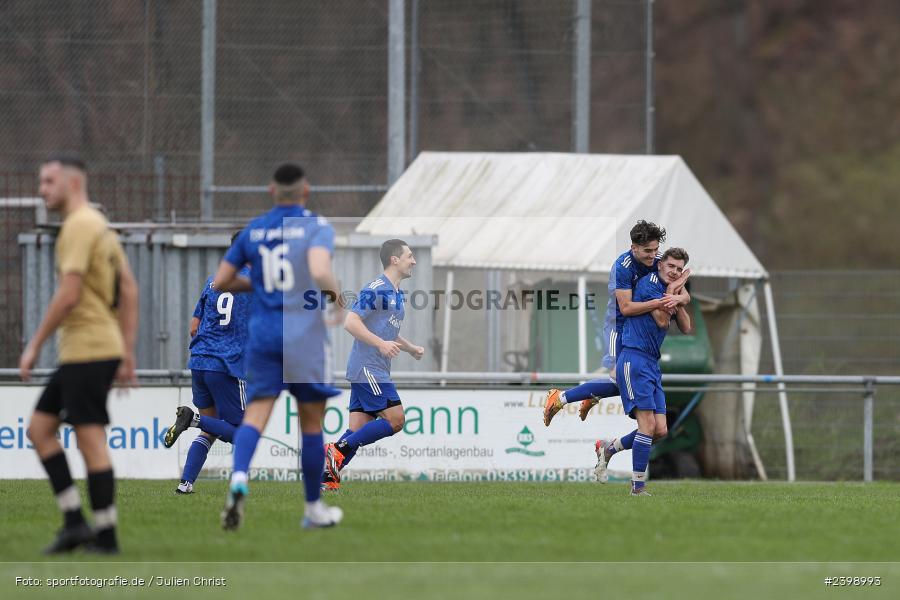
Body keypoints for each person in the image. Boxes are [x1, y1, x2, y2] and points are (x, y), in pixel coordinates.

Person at [213, 162, 344, 530]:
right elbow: (320, 269)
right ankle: (313, 508)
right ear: (306, 191)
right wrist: (337, 298)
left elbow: (222, 281)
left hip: (264, 336)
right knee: (311, 423)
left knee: (255, 415)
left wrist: (260, 283)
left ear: (271, 191)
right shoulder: (316, 226)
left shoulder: (254, 230)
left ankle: (239, 478)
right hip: (304, 337)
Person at [19, 154, 138, 554]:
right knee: (39, 429)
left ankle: (106, 536)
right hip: (94, 348)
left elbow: (68, 295)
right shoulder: (100, 225)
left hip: (87, 349)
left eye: (48, 181)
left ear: (72, 183)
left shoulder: (78, 226)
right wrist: (126, 351)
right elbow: (130, 290)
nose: (42, 190)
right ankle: (75, 522)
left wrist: (35, 344)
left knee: (89, 440)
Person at [543, 220, 689, 426]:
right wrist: (660, 302)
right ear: (634, 248)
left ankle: (593, 394)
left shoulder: (660, 261)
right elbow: (626, 308)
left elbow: (684, 295)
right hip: (617, 327)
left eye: (656, 249)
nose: (653, 255)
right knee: (618, 378)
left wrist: (678, 294)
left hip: (636, 330)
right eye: (648, 251)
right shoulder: (623, 267)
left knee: (625, 379)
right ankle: (560, 397)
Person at [322, 239, 425, 491]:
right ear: (395, 260)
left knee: (357, 429)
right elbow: (351, 322)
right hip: (368, 367)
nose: (413, 261)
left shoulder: (397, 293)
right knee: (396, 419)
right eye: (409, 256)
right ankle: (337, 449)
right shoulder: (376, 288)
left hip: (368, 368)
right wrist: (380, 344)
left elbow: (387, 331)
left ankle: (326, 479)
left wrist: (410, 348)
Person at [596, 248, 694, 495]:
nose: (674, 271)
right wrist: (676, 291)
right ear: (660, 265)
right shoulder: (649, 284)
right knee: (647, 425)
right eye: (671, 266)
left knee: (660, 430)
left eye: (679, 269)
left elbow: (686, 328)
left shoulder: (668, 288)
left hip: (651, 363)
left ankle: (609, 448)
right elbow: (662, 321)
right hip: (634, 358)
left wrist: (680, 298)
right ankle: (637, 487)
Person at [162, 234, 251, 494]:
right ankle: (192, 420)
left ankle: (185, 484)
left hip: (199, 361)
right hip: (226, 365)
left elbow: (194, 327)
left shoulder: (214, 280)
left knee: (211, 429)